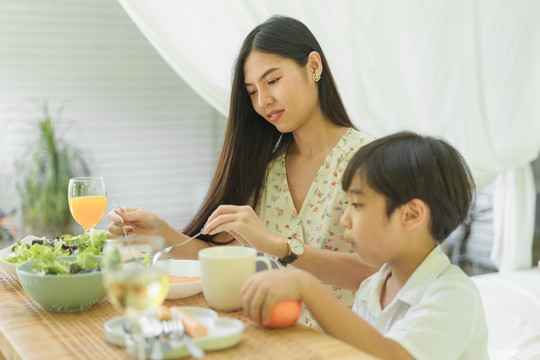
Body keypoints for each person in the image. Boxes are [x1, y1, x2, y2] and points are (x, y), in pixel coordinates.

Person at [107, 15, 376, 328]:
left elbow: (380, 274)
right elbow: (222, 259)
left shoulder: (368, 160)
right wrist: (161, 232)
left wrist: (280, 246)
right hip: (273, 340)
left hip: (349, 345)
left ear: (314, 67)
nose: (263, 101)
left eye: (272, 81)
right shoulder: (268, 172)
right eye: (252, 92)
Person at [241, 132, 489, 360]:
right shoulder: (373, 288)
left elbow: (391, 356)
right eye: (346, 203)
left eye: (357, 205)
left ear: (412, 215)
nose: (344, 218)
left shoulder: (453, 295)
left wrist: (306, 287)